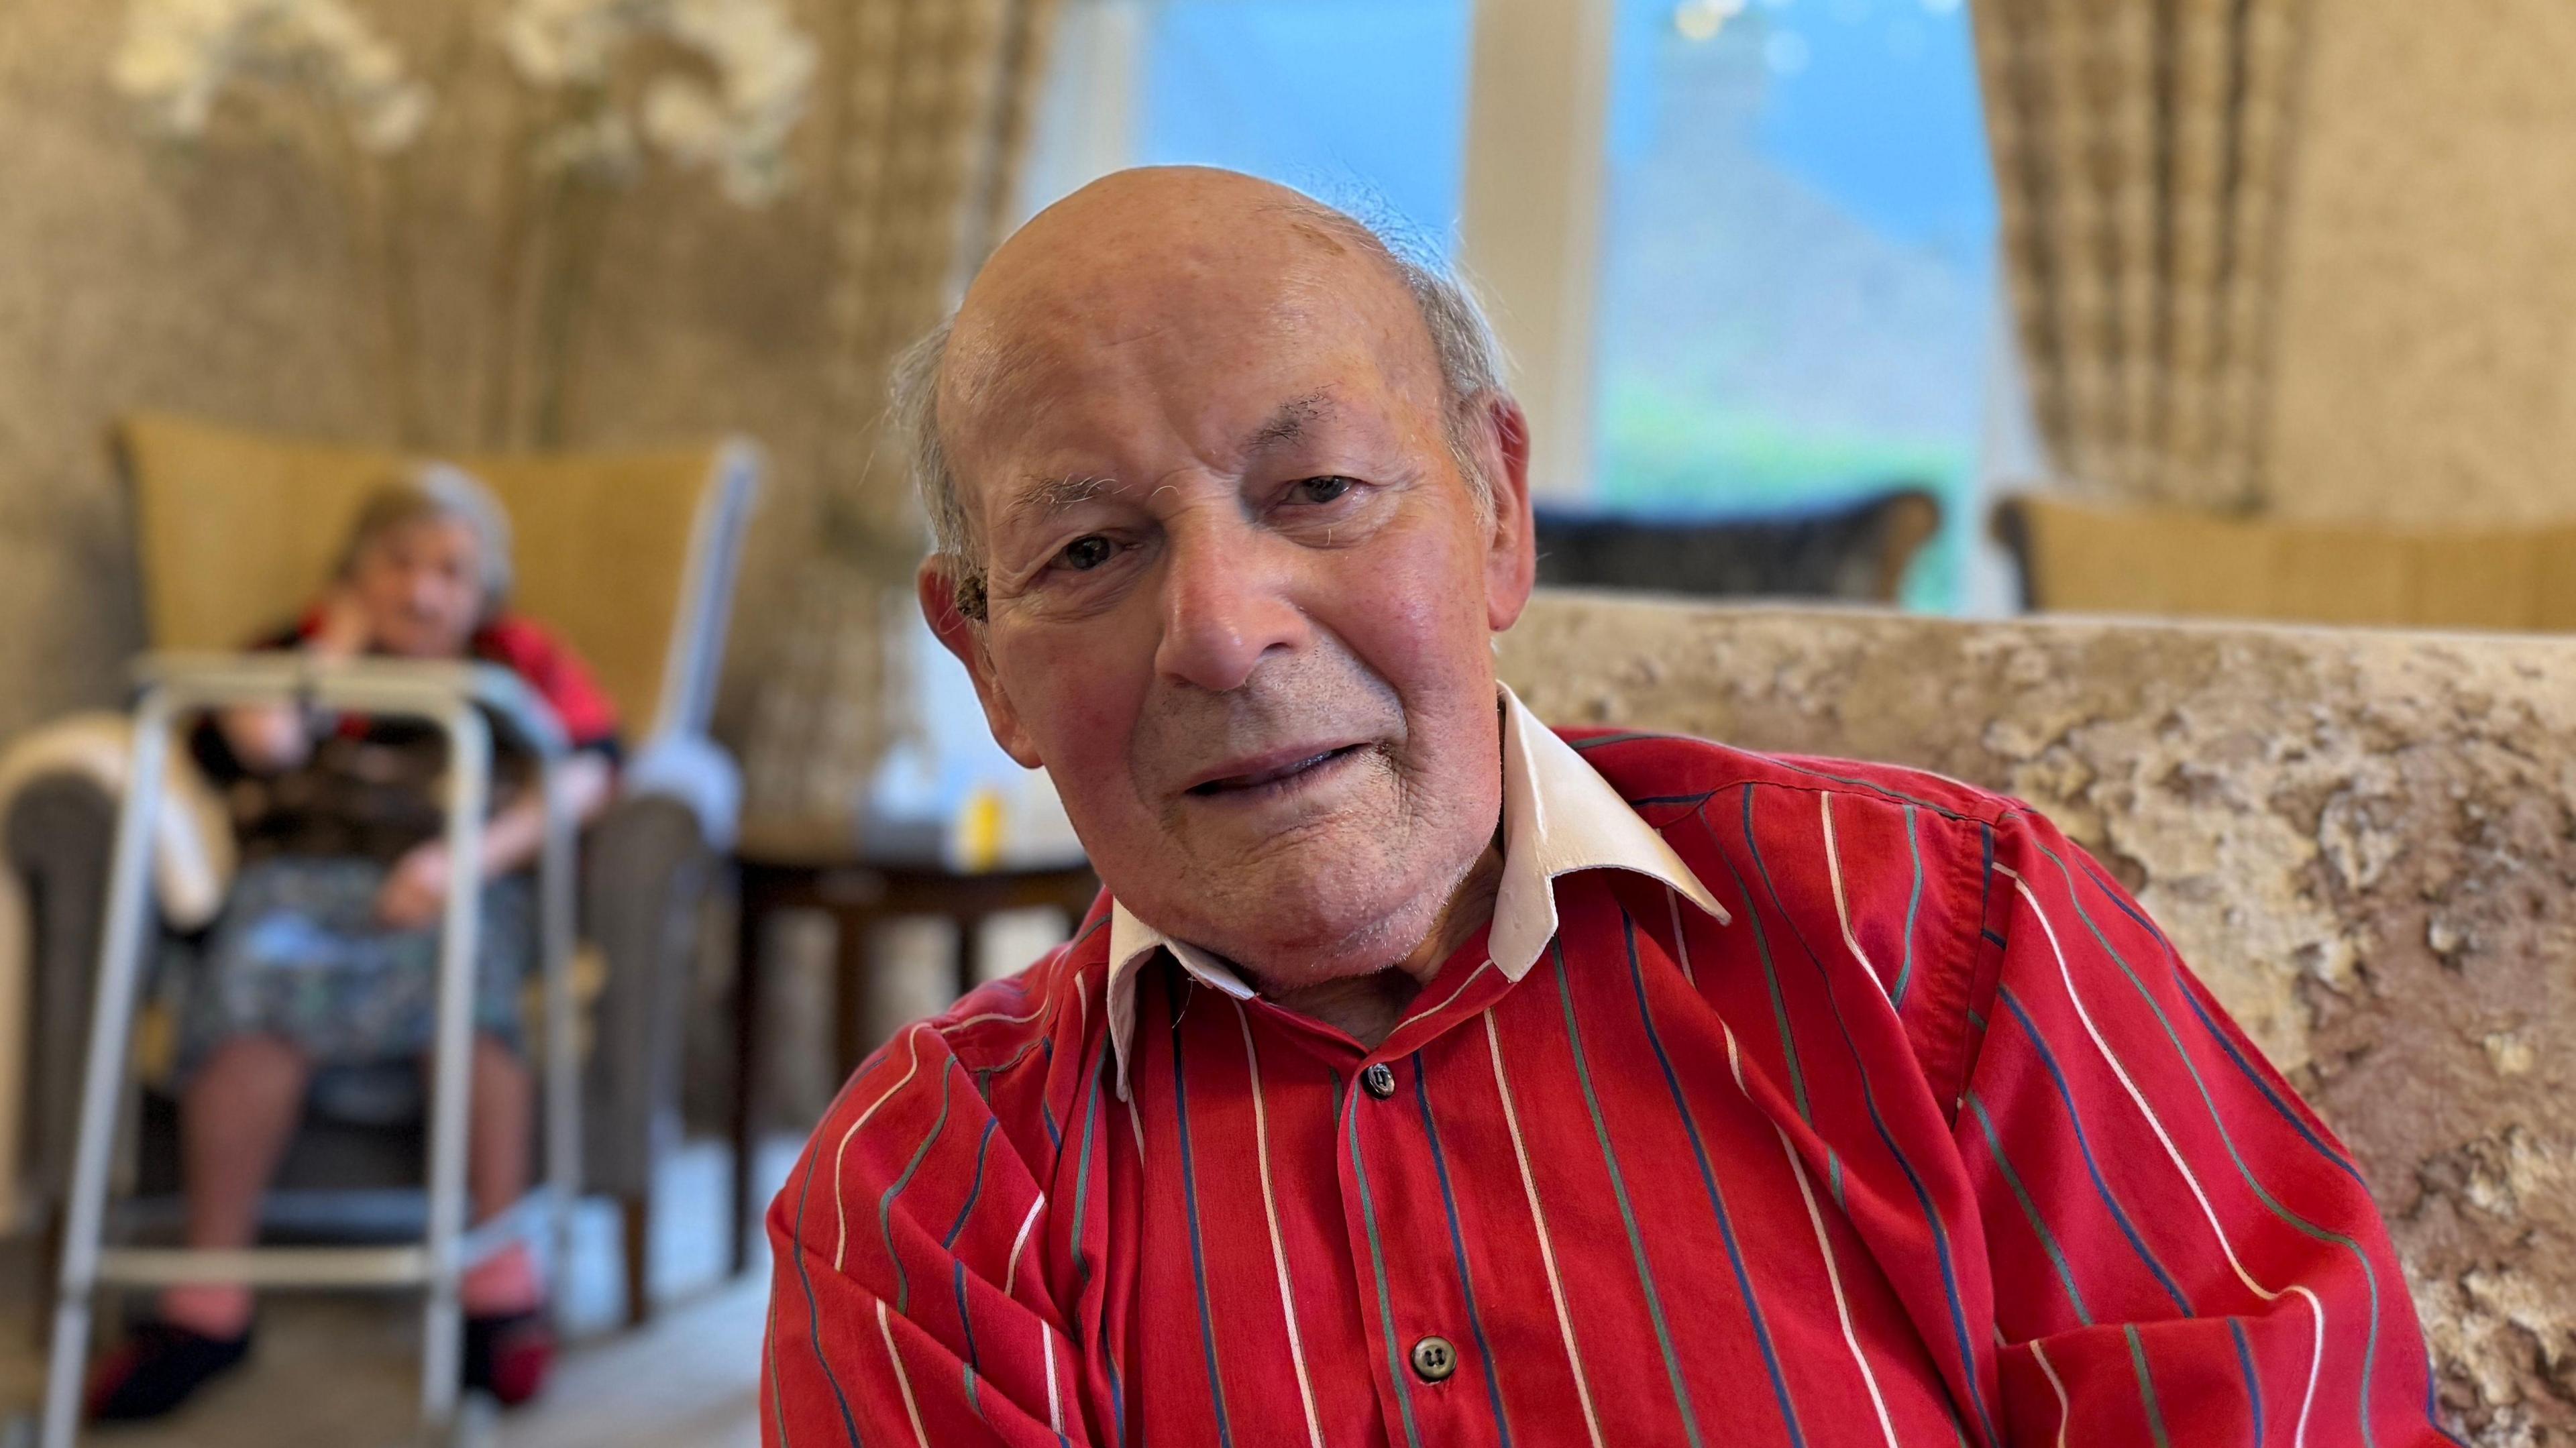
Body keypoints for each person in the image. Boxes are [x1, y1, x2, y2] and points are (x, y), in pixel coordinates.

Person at [761, 167, 2458, 1446]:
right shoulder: (926, 1207)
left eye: (1320, 488)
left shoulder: (1956, 935)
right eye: (1086, 550)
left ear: (1497, 513)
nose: (1219, 629)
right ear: (984, 663)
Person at [86, 463, 619, 1421]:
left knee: (473, 982)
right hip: (300, 885)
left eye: (451, 571)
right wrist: (330, 652)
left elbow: (589, 770)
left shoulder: (515, 657)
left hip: (454, 877)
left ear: (485, 589)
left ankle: (498, 1282)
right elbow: (262, 749)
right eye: (398, 563)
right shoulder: (292, 650)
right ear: (354, 572)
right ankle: (211, 1294)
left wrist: (462, 862)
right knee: (249, 978)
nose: (422, 591)